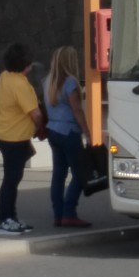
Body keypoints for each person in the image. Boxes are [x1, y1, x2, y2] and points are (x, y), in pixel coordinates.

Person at [0, 42, 43, 237]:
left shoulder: (4, 77)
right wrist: (39, 128)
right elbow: (36, 114)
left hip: (5, 135)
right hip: (17, 139)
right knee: (11, 181)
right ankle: (4, 219)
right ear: (26, 64)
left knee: (11, 179)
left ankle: (10, 217)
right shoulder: (21, 85)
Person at [44, 46, 92, 228]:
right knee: (81, 172)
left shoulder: (48, 81)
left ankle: (58, 214)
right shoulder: (70, 82)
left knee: (58, 174)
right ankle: (69, 212)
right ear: (70, 61)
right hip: (69, 131)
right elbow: (77, 110)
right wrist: (87, 131)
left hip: (53, 130)